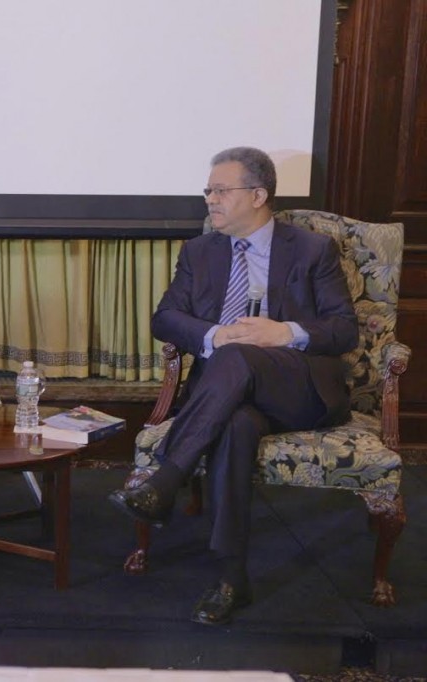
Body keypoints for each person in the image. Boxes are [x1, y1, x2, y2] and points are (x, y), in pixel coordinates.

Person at [108, 147, 358, 625]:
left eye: (221, 190)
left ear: (258, 195)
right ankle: (231, 577)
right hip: (226, 396)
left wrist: (283, 332)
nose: (210, 199)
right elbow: (165, 318)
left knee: (240, 356)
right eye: (208, 191)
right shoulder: (199, 252)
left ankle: (166, 480)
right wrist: (215, 335)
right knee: (236, 424)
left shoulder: (312, 250)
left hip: (298, 388)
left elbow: (344, 329)